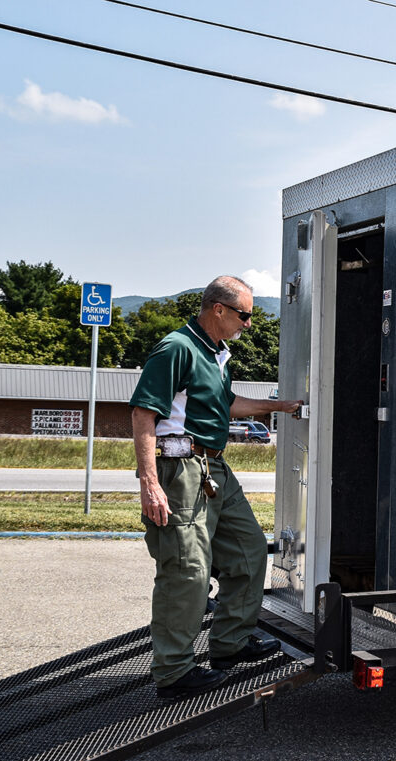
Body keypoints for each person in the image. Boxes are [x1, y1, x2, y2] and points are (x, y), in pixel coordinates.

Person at [130, 275, 303, 698]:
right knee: (186, 570)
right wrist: (149, 482)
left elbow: (227, 404)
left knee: (247, 551)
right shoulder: (177, 348)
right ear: (219, 309)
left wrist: (279, 406)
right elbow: (142, 413)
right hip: (179, 471)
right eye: (244, 315)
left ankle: (230, 644)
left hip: (214, 468)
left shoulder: (216, 354)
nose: (248, 324)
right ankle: (173, 672)